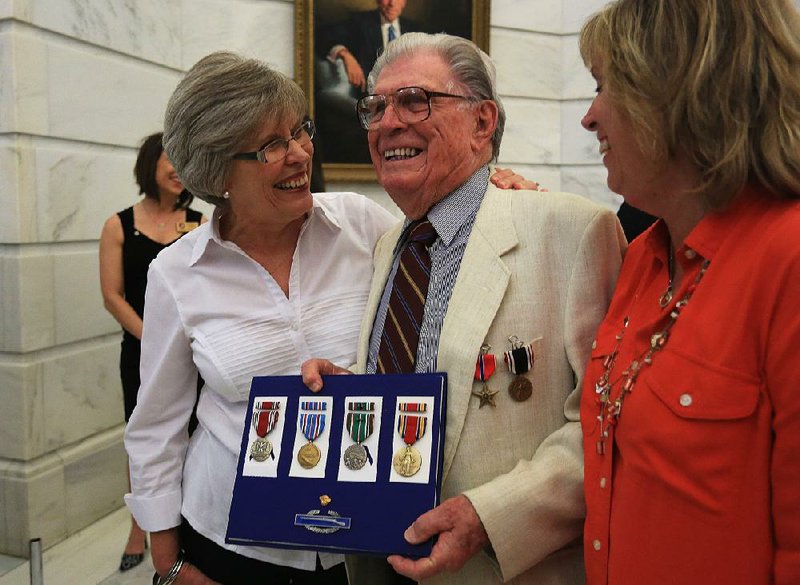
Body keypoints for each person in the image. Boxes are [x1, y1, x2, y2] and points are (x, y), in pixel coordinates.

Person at [122, 51, 529, 585]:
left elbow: (458, 248)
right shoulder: (176, 272)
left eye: (299, 132)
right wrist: (168, 561)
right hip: (233, 540)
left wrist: (498, 194)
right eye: (271, 146)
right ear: (217, 170)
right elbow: (157, 425)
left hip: (365, 539)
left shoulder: (362, 225)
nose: (299, 155)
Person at [303, 32, 626, 585]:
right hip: (379, 560)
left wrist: (493, 517)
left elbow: (607, 429)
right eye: (375, 107)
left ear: (482, 123)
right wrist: (354, 386)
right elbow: (430, 372)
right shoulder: (390, 246)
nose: (387, 124)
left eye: (414, 100)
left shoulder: (572, 230)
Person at [577, 1, 800, 583]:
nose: (590, 117)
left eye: (604, 86)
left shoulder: (788, 259)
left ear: (675, 92)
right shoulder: (645, 258)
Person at [99, 132, 205, 572]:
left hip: (194, 352)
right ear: (151, 165)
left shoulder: (199, 221)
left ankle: (188, 518)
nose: (179, 169)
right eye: (170, 159)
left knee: (195, 431)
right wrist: (154, 338)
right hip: (141, 351)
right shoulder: (119, 224)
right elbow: (112, 296)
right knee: (145, 434)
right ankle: (138, 527)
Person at [315, 0, 421, 164]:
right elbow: (322, 36)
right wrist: (344, 54)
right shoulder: (360, 23)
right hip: (370, 103)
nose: (392, 3)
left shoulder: (416, 30)